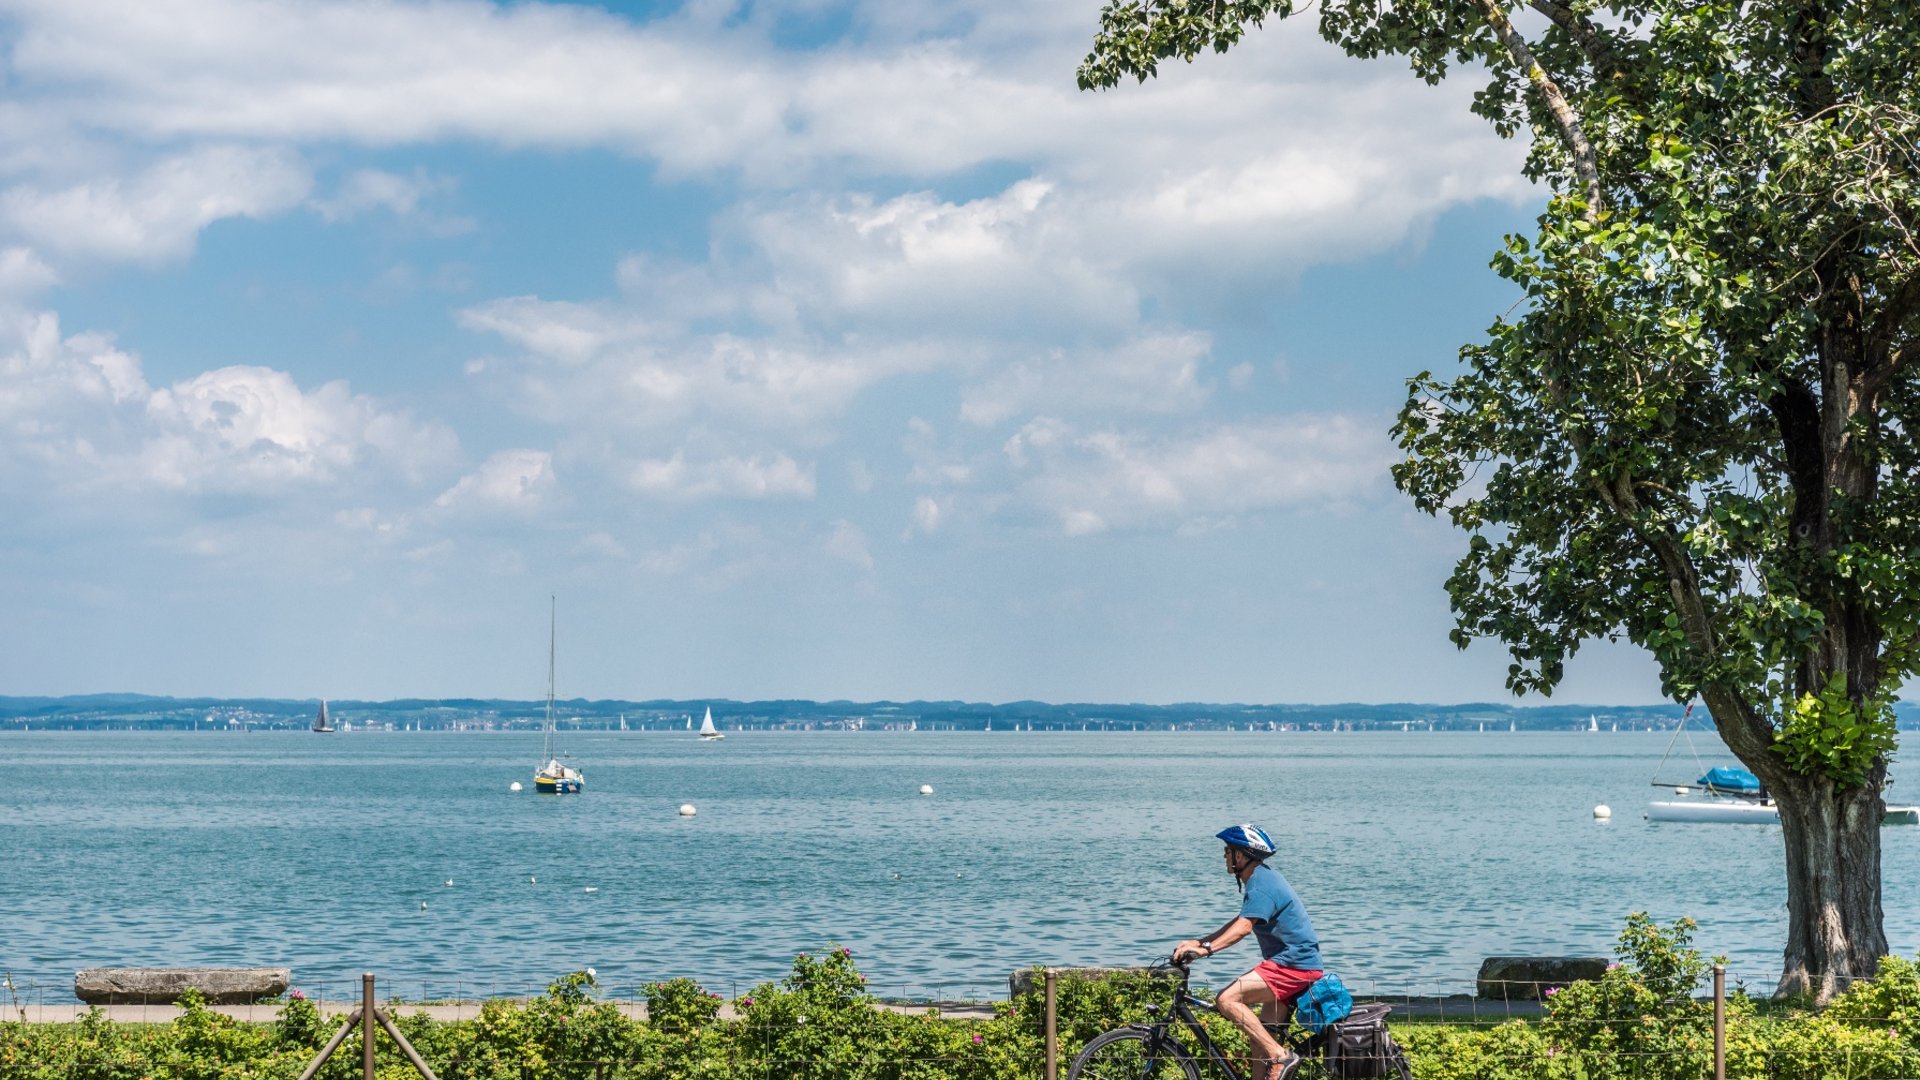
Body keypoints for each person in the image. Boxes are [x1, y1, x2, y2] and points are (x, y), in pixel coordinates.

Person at [1173, 824, 1323, 1080]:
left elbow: (1243, 929)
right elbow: (1240, 920)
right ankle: (1272, 1057)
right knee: (1259, 1042)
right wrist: (1199, 941)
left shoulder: (1261, 883)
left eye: (1227, 851)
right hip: (1292, 964)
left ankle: (1281, 1055)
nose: (1224, 857)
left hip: (1294, 966)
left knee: (1227, 1000)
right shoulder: (1262, 878)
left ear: (1240, 856)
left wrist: (1205, 951)